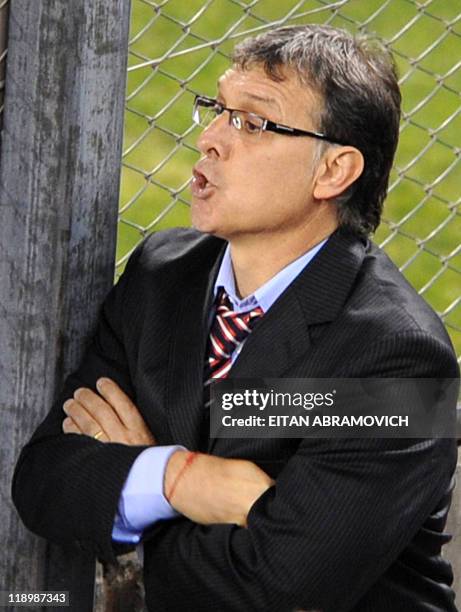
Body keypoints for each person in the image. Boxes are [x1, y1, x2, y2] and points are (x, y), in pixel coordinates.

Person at [12, 24, 459, 612]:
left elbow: (286, 584)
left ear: (334, 172)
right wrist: (184, 478)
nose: (210, 139)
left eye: (253, 122)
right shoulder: (161, 272)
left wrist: (133, 504)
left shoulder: (404, 357)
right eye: (217, 109)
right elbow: (45, 480)